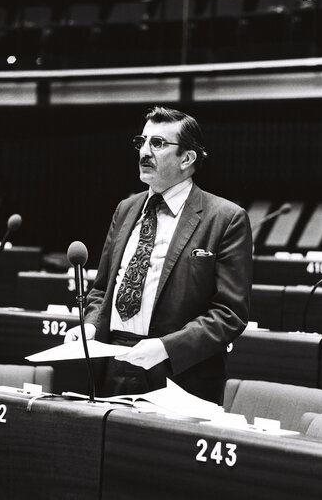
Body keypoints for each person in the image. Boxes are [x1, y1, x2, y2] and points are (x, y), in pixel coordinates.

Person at [65, 106, 252, 403]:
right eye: (142, 141)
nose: (144, 152)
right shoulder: (126, 209)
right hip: (112, 362)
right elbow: (102, 289)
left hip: (178, 372)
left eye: (158, 144)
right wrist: (89, 325)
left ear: (187, 158)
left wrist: (166, 347)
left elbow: (229, 314)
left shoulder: (225, 218)